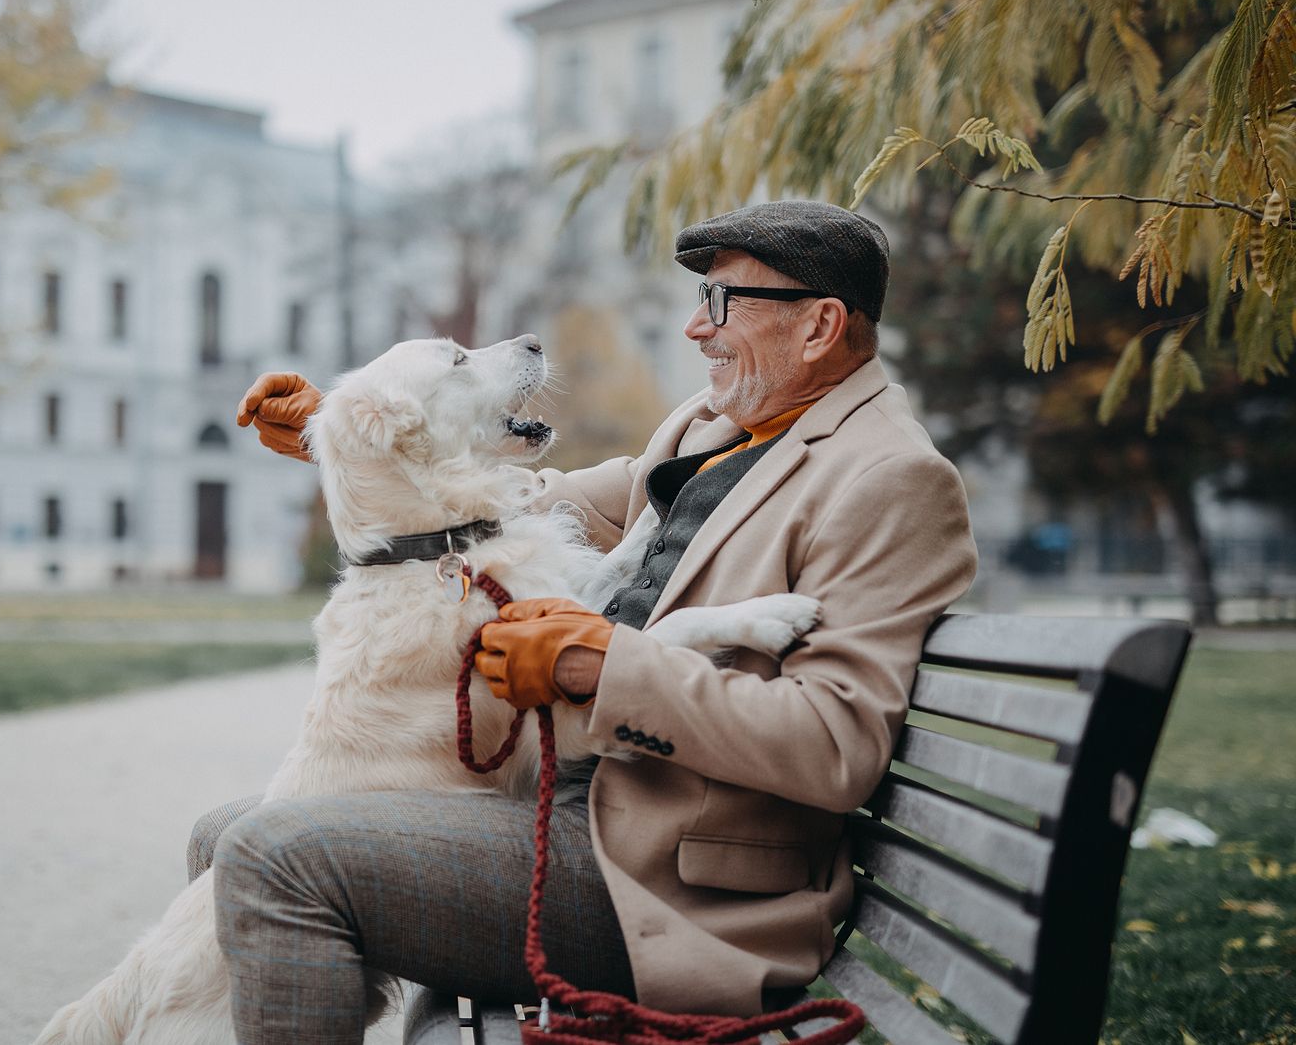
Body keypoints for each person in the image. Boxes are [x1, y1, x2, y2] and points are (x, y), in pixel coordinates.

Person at [206, 199, 976, 1040]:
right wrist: (360, 436)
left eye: (721, 303)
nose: (693, 327)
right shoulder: (715, 425)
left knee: (270, 856)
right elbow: (532, 502)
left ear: (820, 324)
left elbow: (835, 745)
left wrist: (600, 666)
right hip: (574, 807)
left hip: (662, 883)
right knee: (228, 834)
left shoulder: (890, 477)